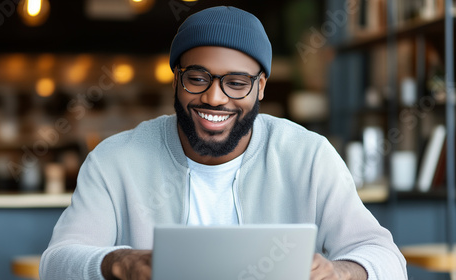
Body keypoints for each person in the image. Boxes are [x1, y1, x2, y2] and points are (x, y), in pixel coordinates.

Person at [40, 6, 407, 280]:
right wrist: (120, 262)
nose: (215, 98)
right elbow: (56, 263)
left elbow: (387, 259)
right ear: (176, 80)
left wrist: (338, 272)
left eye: (236, 82)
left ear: (260, 85)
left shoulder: (307, 156)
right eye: (198, 78)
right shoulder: (114, 160)